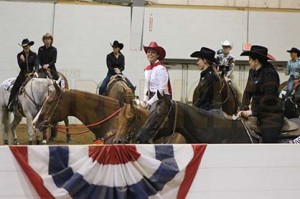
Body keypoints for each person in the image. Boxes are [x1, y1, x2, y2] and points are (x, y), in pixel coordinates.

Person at [238, 45, 283, 143]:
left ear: (256, 61)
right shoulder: (252, 71)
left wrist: (253, 112)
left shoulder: (270, 73)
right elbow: (247, 92)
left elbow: (269, 98)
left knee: (268, 139)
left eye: (250, 59)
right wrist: (242, 109)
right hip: (257, 111)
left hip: (270, 115)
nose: (248, 61)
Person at [8, 38, 39, 111]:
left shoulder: (34, 54)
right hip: (23, 74)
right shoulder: (19, 55)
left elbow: (36, 63)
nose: (26, 48)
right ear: (22, 47)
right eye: (24, 47)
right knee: (15, 87)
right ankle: (11, 103)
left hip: (32, 74)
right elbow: (21, 67)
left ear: (29, 46)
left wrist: (36, 71)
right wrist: (24, 61)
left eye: (27, 46)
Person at [142, 41, 172, 109]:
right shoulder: (147, 70)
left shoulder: (161, 69)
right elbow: (146, 87)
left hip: (161, 99)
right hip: (151, 98)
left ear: (157, 55)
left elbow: (161, 90)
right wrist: (144, 101)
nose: (150, 54)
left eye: (153, 52)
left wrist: (149, 102)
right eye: (149, 52)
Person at [217, 40, 243, 104]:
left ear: (229, 48)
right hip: (219, 75)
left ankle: (239, 106)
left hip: (229, 76)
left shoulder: (232, 58)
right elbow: (216, 66)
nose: (225, 48)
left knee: (239, 92)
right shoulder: (218, 57)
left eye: (227, 47)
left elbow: (231, 68)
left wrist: (226, 76)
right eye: (224, 47)